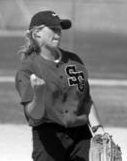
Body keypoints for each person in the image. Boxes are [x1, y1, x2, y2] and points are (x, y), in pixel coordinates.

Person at [15, 10, 105, 161]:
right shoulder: (28, 69)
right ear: (37, 34)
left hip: (81, 136)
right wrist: (39, 94)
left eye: (60, 29)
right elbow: (34, 115)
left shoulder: (74, 61)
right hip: (49, 136)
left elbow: (86, 100)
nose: (59, 33)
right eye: (53, 29)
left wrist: (98, 129)